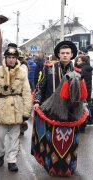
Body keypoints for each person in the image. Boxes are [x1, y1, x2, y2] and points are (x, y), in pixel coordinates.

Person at [31, 41, 80, 176]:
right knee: (52, 141)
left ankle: (69, 167)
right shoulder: (49, 68)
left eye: (67, 53)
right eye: (62, 53)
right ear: (58, 55)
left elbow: (81, 93)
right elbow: (40, 87)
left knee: (69, 142)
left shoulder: (76, 72)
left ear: (71, 55)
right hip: (51, 111)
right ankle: (51, 167)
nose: (65, 55)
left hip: (71, 113)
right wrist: (36, 101)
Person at [0, 46, 32, 172]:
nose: (11, 60)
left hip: (17, 108)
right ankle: (0, 154)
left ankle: (12, 160)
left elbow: (27, 93)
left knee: (14, 137)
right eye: (9, 57)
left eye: (13, 57)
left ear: (17, 59)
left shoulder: (22, 73)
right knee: (0, 136)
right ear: (5, 58)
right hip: (1, 108)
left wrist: (27, 111)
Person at [74, 54, 92, 129]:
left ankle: (82, 125)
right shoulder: (88, 68)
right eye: (77, 61)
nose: (77, 62)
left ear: (83, 61)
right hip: (87, 90)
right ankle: (86, 122)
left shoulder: (81, 70)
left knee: (81, 108)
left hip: (82, 91)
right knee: (86, 106)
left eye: (78, 61)